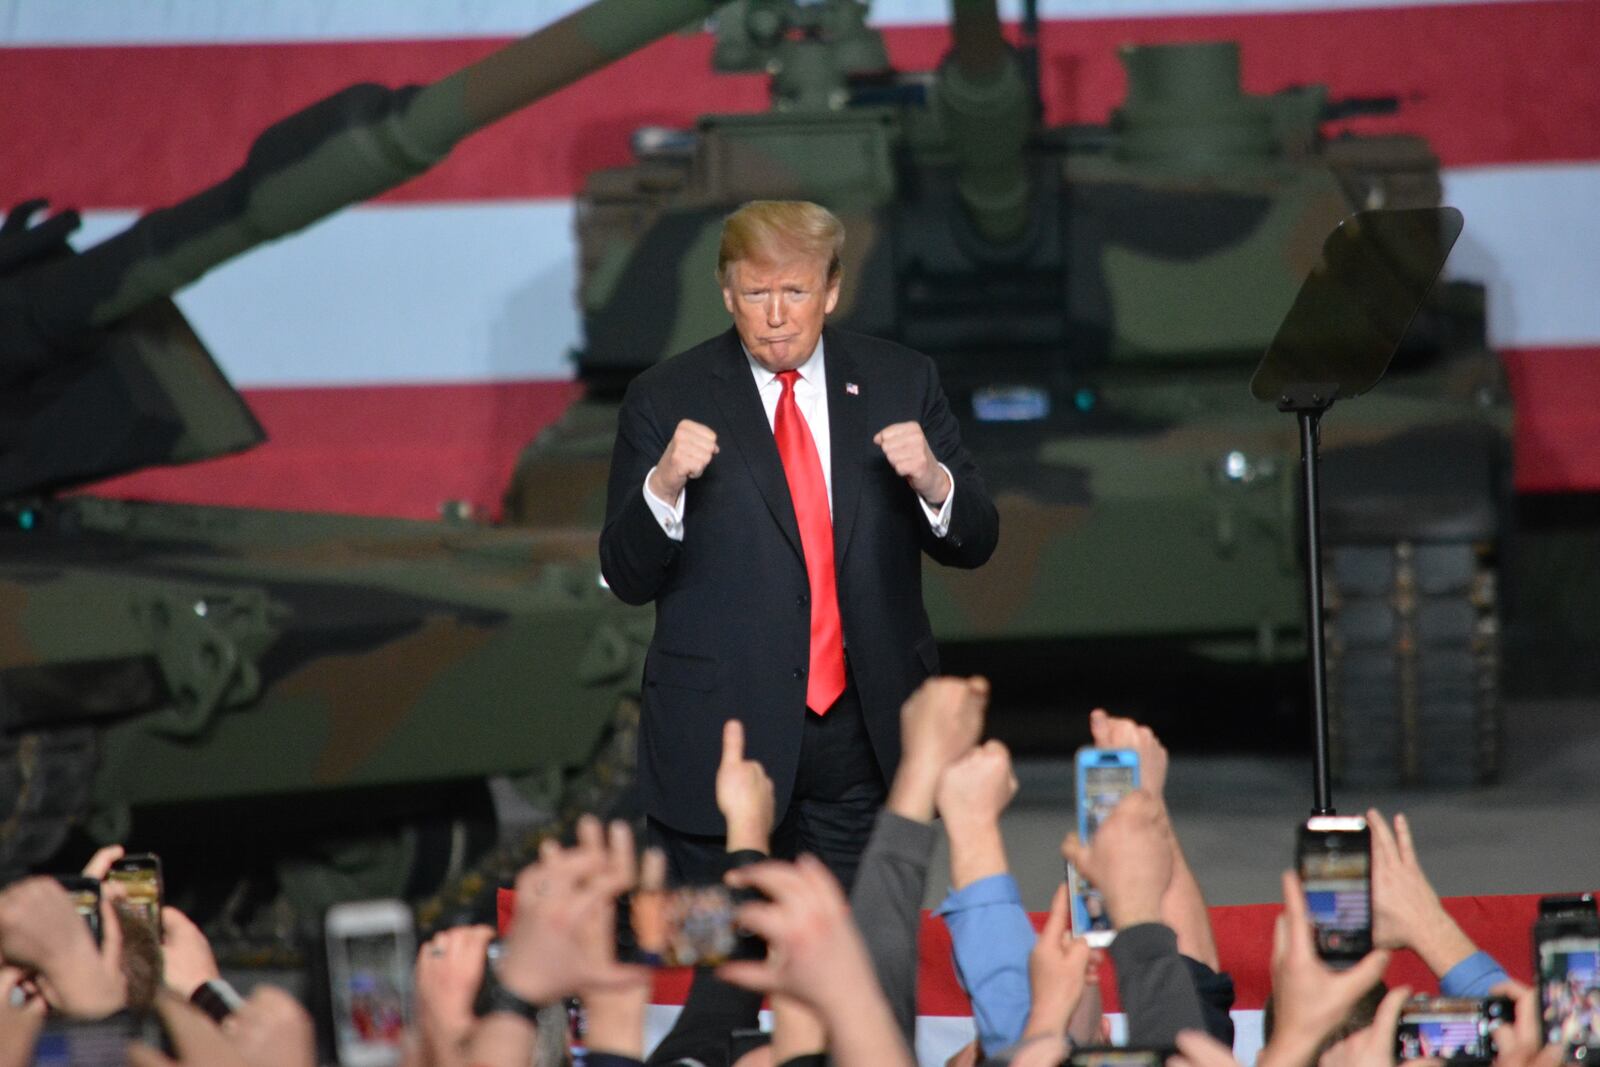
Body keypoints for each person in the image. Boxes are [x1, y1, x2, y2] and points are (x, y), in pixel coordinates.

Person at [599, 198, 999, 889]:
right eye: (756, 292)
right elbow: (626, 575)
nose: (776, 314)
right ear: (727, 293)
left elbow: (977, 541)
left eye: (795, 290)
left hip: (866, 745)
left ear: (832, 290)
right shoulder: (663, 398)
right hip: (722, 747)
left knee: (859, 973)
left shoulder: (901, 381)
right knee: (720, 971)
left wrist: (935, 480)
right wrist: (662, 484)